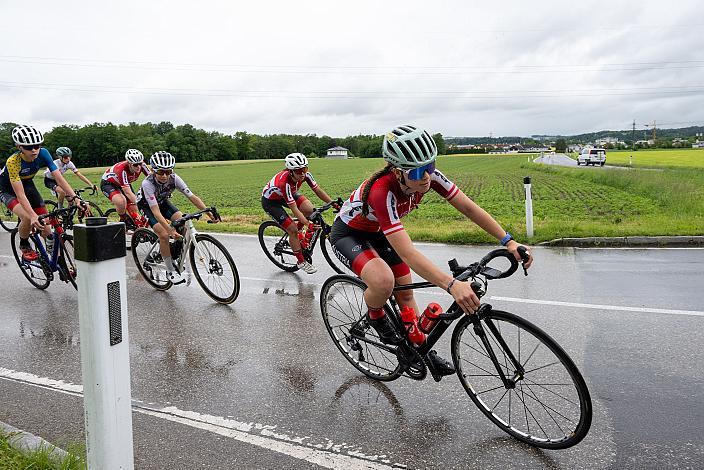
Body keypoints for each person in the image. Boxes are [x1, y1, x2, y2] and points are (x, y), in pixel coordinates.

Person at [330, 124, 534, 378]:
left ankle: (420, 348)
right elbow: (408, 253)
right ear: (398, 172)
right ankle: (374, 315)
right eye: (418, 171)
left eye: (430, 166)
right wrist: (451, 285)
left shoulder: (428, 176)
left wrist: (509, 241)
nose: (427, 176)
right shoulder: (382, 192)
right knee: (383, 281)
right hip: (349, 234)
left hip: (380, 232)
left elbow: (469, 208)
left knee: (405, 295)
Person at [0, 125, 85, 261]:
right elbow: (20, 194)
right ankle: (24, 244)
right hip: (7, 189)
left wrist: (75, 198)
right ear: (19, 147)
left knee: (46, 226)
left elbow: (59, 178)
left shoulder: (43, 153)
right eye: (29, 147)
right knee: (27, 218)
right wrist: (33, 216)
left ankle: (53, 259)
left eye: (37, 145)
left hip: (28, 184)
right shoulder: (13, 162)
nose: (34, 150)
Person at [136, 151, 217, 283]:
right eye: (161, 172)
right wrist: (169, 230)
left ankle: (174, 252)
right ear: (153, 171)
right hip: (147, 206)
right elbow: (156, 212)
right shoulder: (148, 184)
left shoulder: (174, 178)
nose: (164, 175)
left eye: (168, 172)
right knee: (163, 234)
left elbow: (192, 196)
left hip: (163, 202)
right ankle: (169, 270)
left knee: (184, 225)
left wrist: (208, 212)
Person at [261, 152, 337, 274]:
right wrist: (307, 223)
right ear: (290, 171)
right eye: (298, 171)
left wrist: (333, 203)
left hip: (289, 194)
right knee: (292, 230)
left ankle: (299, 237)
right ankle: (301, 261)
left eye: (304, 169)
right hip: (271, 202)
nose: (302, 173)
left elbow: (317, 190)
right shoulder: (284, 182)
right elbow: (294, 208)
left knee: (311, 211)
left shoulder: (305, 175)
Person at [101, 149, 150, 228]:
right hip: (109, 184)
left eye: (140, 163)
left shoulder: (142, 165)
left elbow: (152, 179)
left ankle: (136, 227)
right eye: (135, 165)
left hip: (124, 183)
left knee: (134, 209)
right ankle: (124, 220)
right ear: (129, 164)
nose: (138, 167)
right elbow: (127, 192)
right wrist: (141, 204)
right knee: (121, 201)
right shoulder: (122, 169)